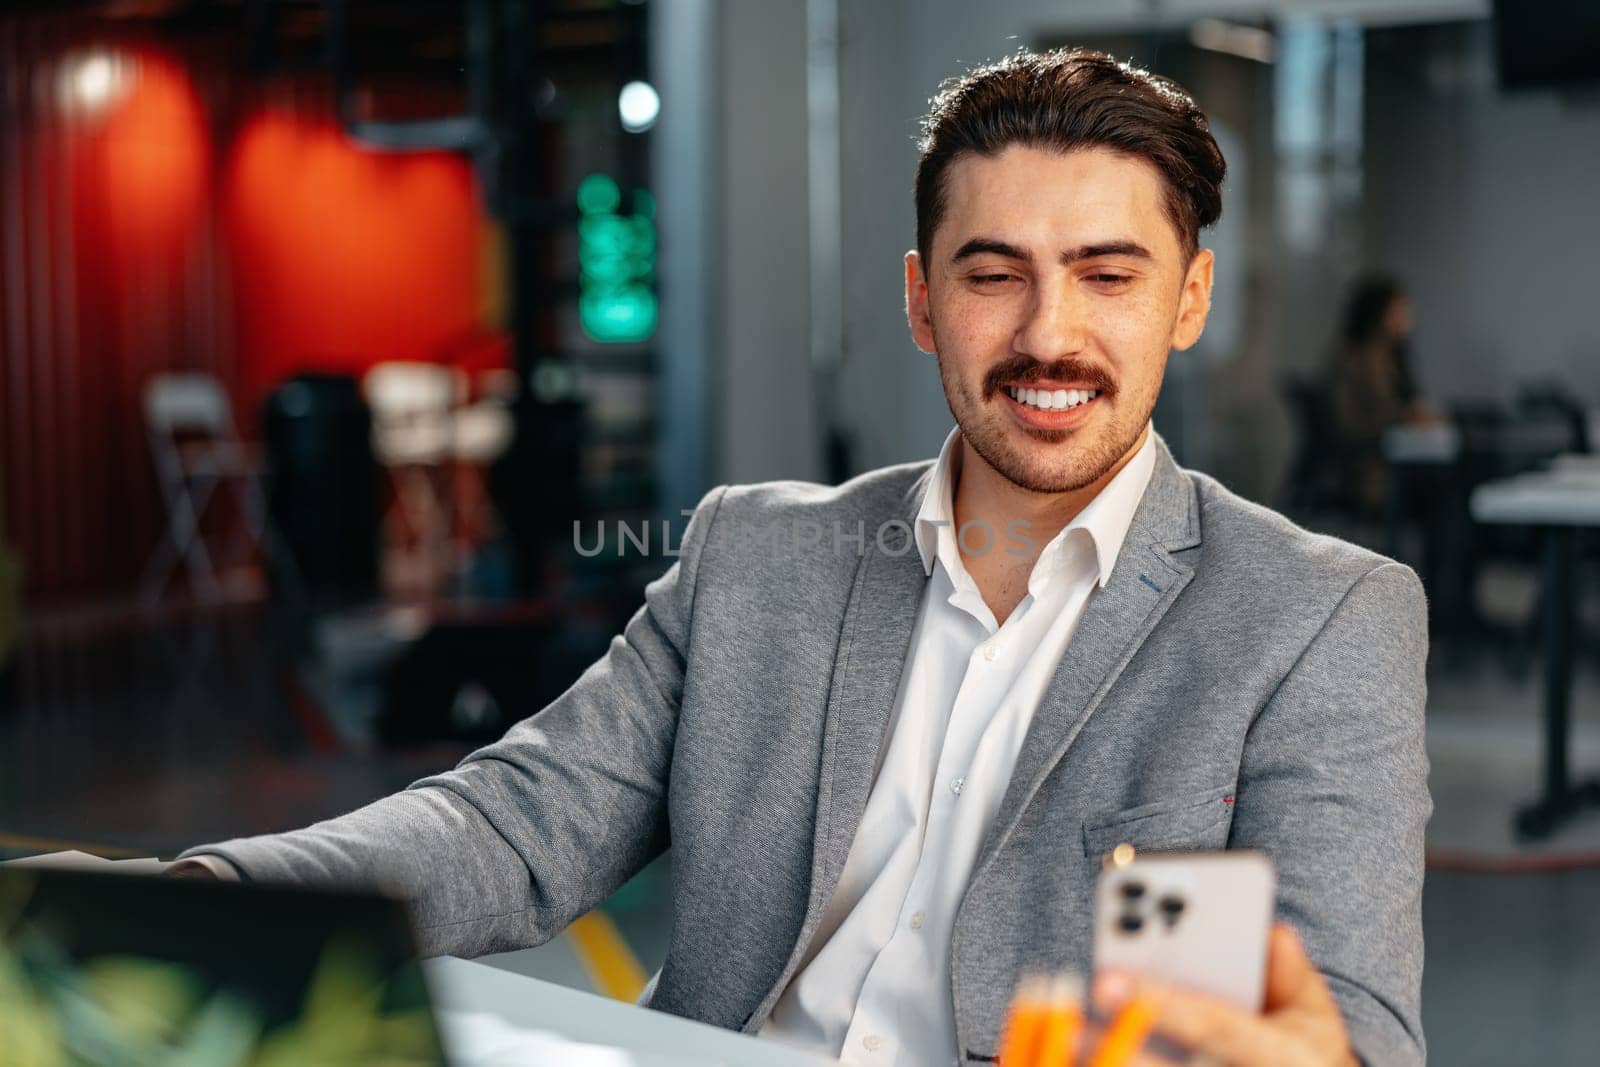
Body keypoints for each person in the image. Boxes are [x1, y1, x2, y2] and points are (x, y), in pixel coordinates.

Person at [173, 49, 1428, 1066]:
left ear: (1190, 299)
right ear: (922, 298)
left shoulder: (1321, 618)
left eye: (1109, 276)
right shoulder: (755, 554)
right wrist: (204, 895)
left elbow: (1344, 1028)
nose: (1051, 334)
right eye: (994, 275)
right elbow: (512, 824)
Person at [1326, 275, 1440, 514]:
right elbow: (1364, 422)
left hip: (1387, 462)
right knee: (1452, 486)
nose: (1407, 319)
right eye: (1399, 311)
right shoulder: (1363, 361)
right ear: (1379, 315)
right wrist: (1408, 417)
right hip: (1372, 470)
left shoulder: (1390, 358)